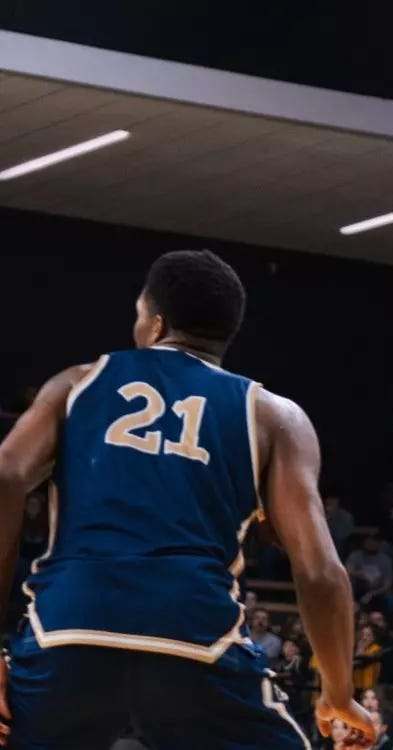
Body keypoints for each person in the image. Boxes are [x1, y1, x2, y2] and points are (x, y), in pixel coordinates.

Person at [0, 249, 372, 748]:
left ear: (155, 325)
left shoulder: (77, 383)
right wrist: (338, 691)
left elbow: (4, 473)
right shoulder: (274, 416)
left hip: (66, 630)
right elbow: (321, 572)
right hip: (197, 638)